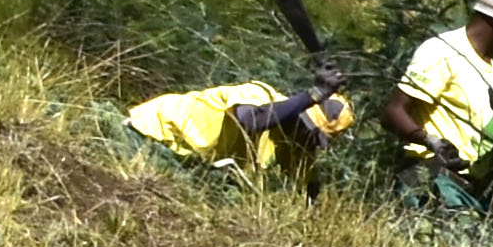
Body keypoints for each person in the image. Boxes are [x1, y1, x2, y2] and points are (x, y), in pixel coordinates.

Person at [392, 0, 493, 184]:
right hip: (428, 172)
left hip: (472, 184)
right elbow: (393, 112)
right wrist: (430, 141)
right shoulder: (443, 51)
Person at [123, 76, 354, 182]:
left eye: (313, 138)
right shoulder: (259, 95)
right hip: (152, 132)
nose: (303, 136)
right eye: (304, 126)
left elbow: (305, 189)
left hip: (183, 162)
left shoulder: (294, 146)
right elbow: (249, 121)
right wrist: (311, 96)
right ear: (300, 109)